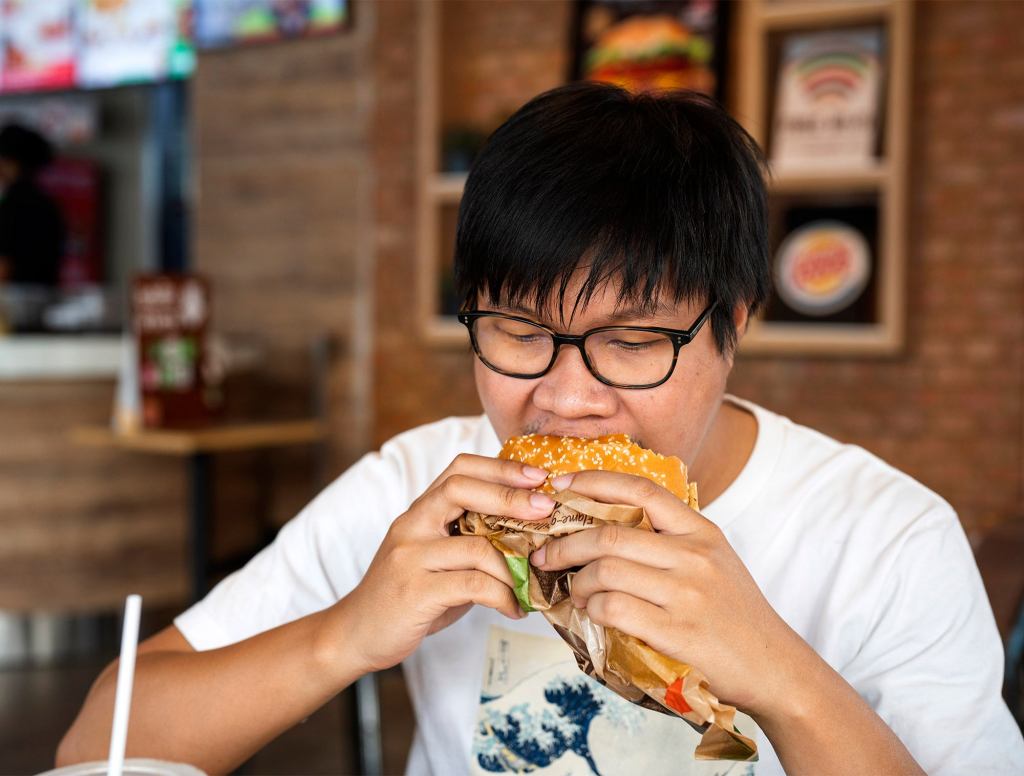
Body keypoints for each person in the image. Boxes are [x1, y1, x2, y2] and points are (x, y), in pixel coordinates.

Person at [57, 83, 1024, 775]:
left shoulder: (891, 537)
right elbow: (96, 744)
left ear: (734, 325)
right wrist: (345, 636)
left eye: (633, 342)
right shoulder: (422, 486)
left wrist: (786, 680)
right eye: (520, 333)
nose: (565, 398)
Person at [0, 123, 64, 287]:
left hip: (12, 305)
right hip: (44, 301)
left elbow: (4, 266)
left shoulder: (12, 204)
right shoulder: (48, 205)